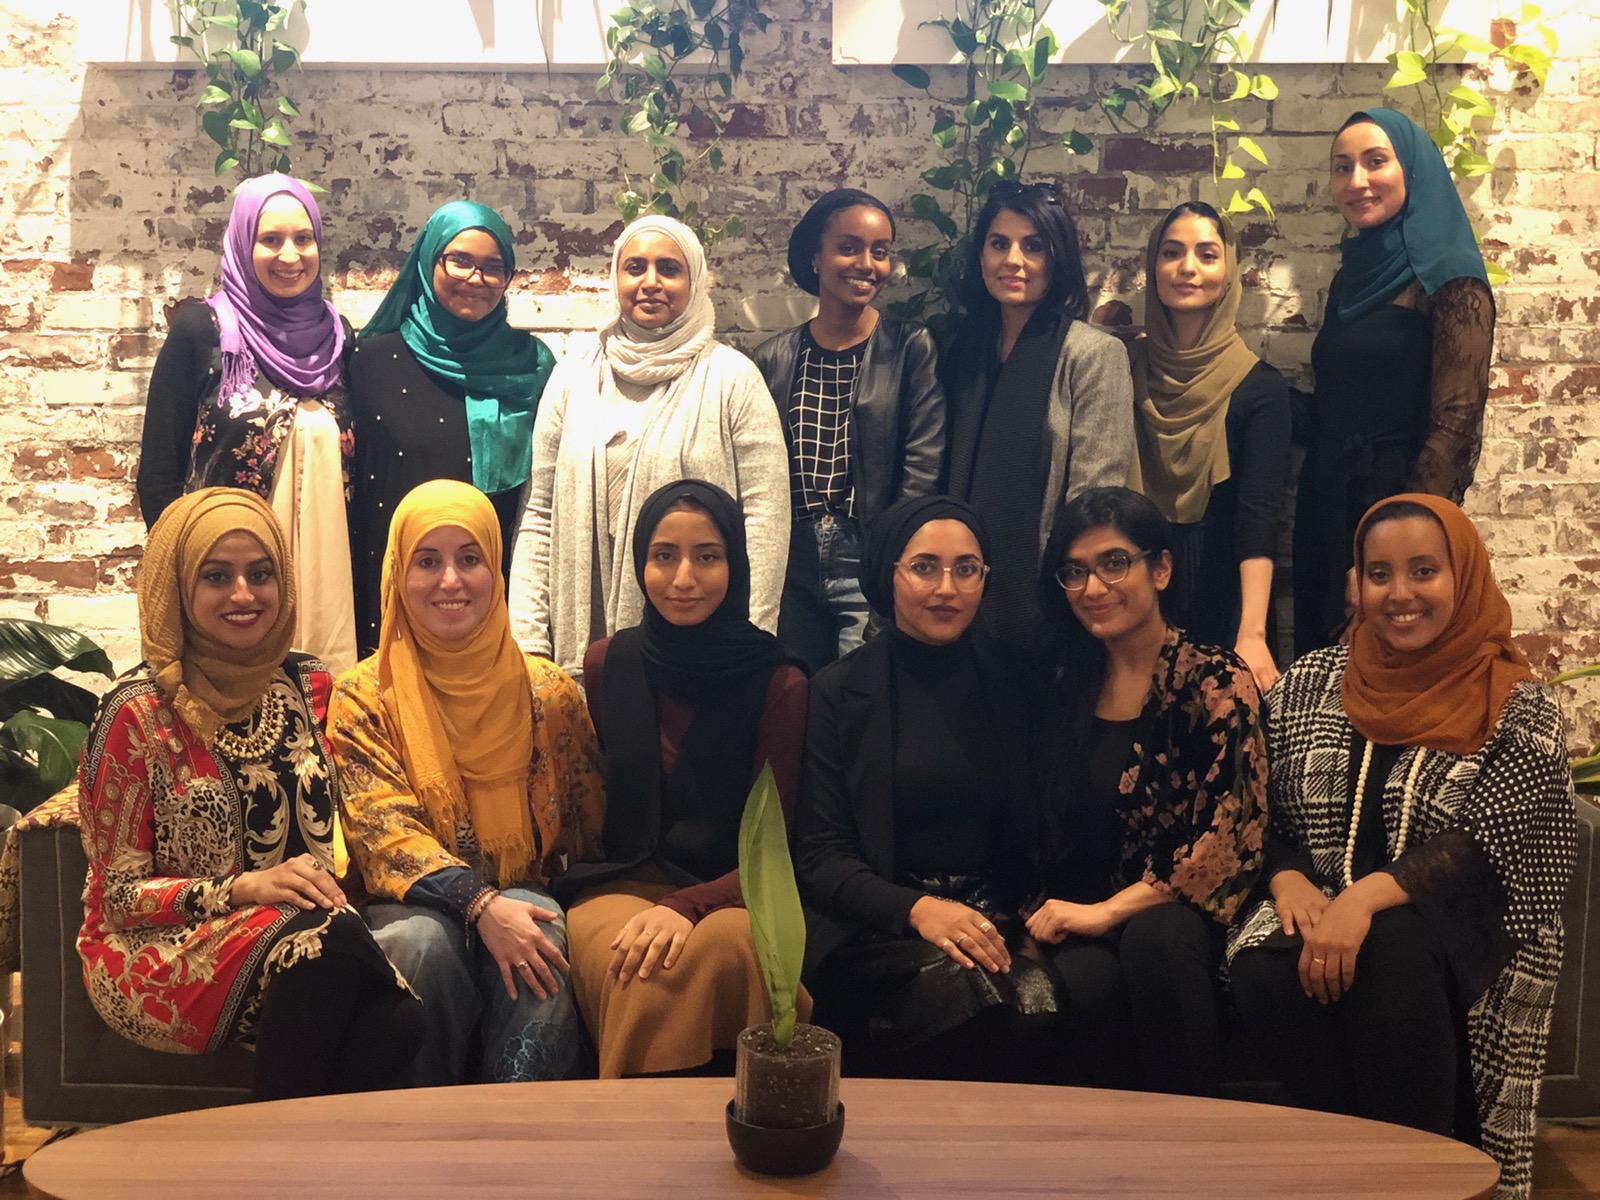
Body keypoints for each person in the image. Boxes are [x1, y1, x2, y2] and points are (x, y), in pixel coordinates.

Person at [1229, 494, 1576, 1200]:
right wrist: (1289, 881)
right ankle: (1363, 1166)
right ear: (1356, 583)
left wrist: (1365, 899)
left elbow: (1489, 840)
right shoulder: (1309, 685)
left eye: (1424, 570)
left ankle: (1419, 1179)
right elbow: (1262, 813)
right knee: (1263, 969)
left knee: (1390, 948)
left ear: (1465, 576)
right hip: (1325, 905)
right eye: (1379, 573)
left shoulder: (1516, 702)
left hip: (1466, 930)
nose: (1401, 594)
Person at [77, 488, 423, 1099]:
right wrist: (243, 889)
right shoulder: (136, 715)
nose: (244, 594)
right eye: (217, 576)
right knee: (327, 950)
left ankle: (297, 1171)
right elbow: (119, 898)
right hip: (156, 949)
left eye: (260, 574)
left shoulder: (309, 683)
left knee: (402, 1020)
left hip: (304, 933)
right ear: (178, 588)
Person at [328, 479, 605, 1085]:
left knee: (540, 922)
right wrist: (480, 905)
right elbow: (384, 834)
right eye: (428, 562)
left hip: (528, 899)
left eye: (469, 559)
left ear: (495, 571)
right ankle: (418, 1147)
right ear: (399, 575)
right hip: (410, 905)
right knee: (422, 944)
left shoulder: (550, 693)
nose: (450, 581)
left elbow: (587, 833)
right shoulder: (363, 697)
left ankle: (523, 1143)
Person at [796, 495, 1058, 1080]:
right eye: (924, 567)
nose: (947, 587)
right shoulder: (836, 692)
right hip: (878, 928)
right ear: (887, 573)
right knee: (996, 999)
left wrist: (1025, 913)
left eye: (966, 569)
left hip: (994, 918)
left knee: (1038, 998)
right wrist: (919, 911)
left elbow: (1045, 822)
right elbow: (819, 857)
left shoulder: (1019, 680)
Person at [560, 479, 809, 1078]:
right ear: (640, 561)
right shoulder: (604, 664)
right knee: (638, 967)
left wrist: (687, 905)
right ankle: (640, 1146)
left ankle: (750, 1128)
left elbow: (776, 848)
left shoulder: (780, 683)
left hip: (736, 889)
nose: (683, 578)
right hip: (618, 884)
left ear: (736, 565)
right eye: (663, 555)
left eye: (707, 556)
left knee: (727, 947)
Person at [1027, 486, 1266, 1096]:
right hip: (1073, 909)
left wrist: (1106, 912)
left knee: (1156, 944)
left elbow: (1229, 838)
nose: (1093, 587)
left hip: (1175, 912)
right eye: (1075, 572)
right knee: (1085, 986)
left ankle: (1191, 1157)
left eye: (1114, 563)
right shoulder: (1059, 681)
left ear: (1160, 568)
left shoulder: (1214, 679)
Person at [510, 215, 789, 684]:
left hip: (701, 650)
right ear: (616, 277)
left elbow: (765, 520)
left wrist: (750, 640)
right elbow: (540, 515)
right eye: (635, 266)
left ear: (695, 279)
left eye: (669, 269)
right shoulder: (574, 377)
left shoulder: (732, 379)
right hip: (580, 645)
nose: (650, 282)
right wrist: (530, 644)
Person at [1293, 108, 1495, 655]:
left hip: (1397, 508)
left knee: (1395, 676)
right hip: (1328, 505)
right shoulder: (1349, 280)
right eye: (1342, 168)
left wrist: (1391, 559)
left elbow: (1454, 428)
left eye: (1375, 162)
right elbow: (1338, 408)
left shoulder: (1450, 276)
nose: (1356, 181)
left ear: (1411, 167)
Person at [136, 174, 357, 674]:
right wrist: (187, 576)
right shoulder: (203, 332)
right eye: (271, 239)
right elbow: (158, 474)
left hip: (327, 587)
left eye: (304, 239)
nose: (290, 255)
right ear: (241, 244)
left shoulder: (339, 337)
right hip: (227, 592)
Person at [749, 188, 946, 671]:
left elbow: (923, 466)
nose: (867, 263)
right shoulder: (773, 358)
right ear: (816, 256)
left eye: (880, 252)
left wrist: (892, 562)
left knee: (857, 701)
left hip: (869, 555)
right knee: (793, 701)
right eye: (849, 247)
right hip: (790, 561)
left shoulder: (910, 346)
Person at [348, 201, 556, 655]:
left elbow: (544, 500)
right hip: (394, 597)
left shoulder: (533, 367)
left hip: (494, 598)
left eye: (493, 267)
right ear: (428, 260)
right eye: (460, 260)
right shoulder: (373, 361)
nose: (476, 279)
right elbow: (357, 501)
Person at [941, 181, 1134, 651]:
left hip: (1044, 604)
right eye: (999, 243)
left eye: (1033, 246)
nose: (1014, 260)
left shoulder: (1092, 355)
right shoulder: (963, 352)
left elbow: (1094, 499)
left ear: (1057, 258)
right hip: (957, 595)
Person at [1128, 201, 1291, 690]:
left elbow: (1259, 516)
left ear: (1229, 271)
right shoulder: (1122, 367)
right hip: (1133, 593)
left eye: (1207, 254)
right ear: (1153, 266)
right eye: (1172, 252)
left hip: (1224, 598)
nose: (1188, 268)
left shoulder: (1260, 388)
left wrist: (1254, 634)